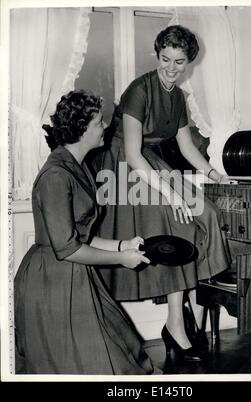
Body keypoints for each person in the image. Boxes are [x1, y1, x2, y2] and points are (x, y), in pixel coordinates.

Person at [90, 25, 232, 361]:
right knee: (175, 226)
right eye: (165, 59)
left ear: (189, 63)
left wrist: (215, 174)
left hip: (151, 164)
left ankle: (178, 320)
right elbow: (134, 155)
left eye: (179, 61)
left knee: (206, 214)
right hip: (125, 165)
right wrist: (171, 194)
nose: (171, 68)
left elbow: (186, 146)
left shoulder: (179, 97)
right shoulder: (139, 90)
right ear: (157, 55)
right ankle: (175, 328)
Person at [14, 90, 158, 375]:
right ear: (81, 130)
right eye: (98, 123)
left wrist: (122, 245)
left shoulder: (76, 165)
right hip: (52, 281)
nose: (105, 127)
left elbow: (79, 235)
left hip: (73, 272)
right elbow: (67, 248)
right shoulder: (56, 175)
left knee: (118, 349)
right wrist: (121, 259)